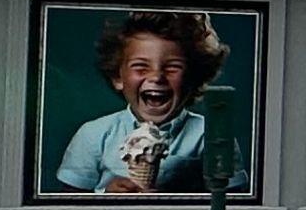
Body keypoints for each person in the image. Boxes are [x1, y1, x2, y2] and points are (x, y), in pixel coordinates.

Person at [53, 10, 228, 195]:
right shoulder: (93, 135)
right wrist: (104, 196)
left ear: (193, 79)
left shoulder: (211, 136)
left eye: (172, 67)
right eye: (141, 67)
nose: (157, 77)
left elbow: (232, 201)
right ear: (117, 77)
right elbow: (68, 200)